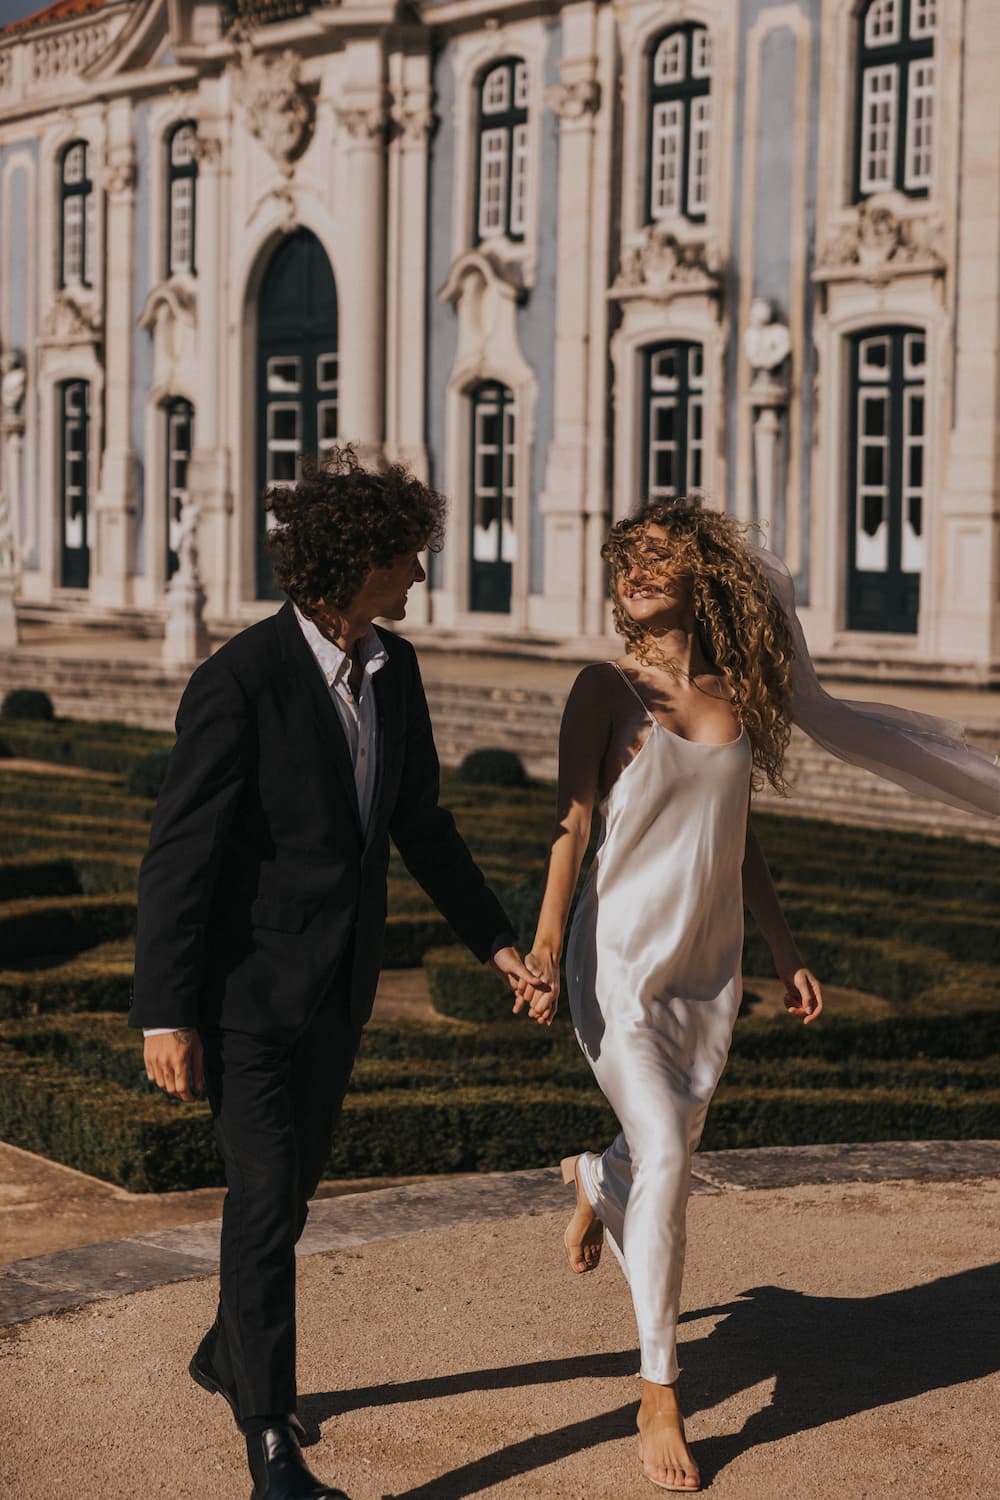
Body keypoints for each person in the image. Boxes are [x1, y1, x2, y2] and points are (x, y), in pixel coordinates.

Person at [514, 496, 1000, 1494]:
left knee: (661, 1146)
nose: (637, 572)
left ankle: (594, 1182)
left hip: (706, 963)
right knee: (670, 1148)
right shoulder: (603, 691)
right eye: (626, 558)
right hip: (615, 959)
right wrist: (546, 938)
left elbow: (736, 834)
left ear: (704, 576)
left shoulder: (737, 693)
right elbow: (568, 825)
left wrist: (783, 946)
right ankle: (659, 1391)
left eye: (658, 557)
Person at [129, 447, 539, 1500]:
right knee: (264, 1202)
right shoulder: (239, 681)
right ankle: (271, 1446)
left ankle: (230, 1351)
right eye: (406, 555)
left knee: (290, 1196)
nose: (417, 574)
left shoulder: (395, 672)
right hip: (246, 999)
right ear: (354, 558)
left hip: (338, 992)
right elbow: (180, 857)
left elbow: (423, 829)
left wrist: (499, 945)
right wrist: (166, 1014)